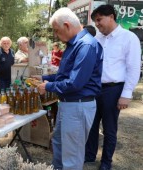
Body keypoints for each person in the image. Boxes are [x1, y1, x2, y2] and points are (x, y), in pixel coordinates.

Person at [37, 8, 103, 169]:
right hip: (69, 104)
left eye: (57, 31)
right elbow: (64, 75)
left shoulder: (86, 45)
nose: (56, 35)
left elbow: (75, 83)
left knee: (72, 155)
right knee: (59, 143)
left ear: (66, 25)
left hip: (77, 105)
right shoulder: (74, 44)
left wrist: (48, 86)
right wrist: (44, 78)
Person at [85, 5, 141, 170]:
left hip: (114, 90)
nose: (97, 24)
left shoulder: (129, 38)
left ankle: (106, 162)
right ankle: (89, 155)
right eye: (95, 21)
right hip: (95, 89)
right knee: (92, 125)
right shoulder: (97, 40)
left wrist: (126, 94)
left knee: (109, 128)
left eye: (99, 20)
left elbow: (133, 68)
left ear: (111, 17)